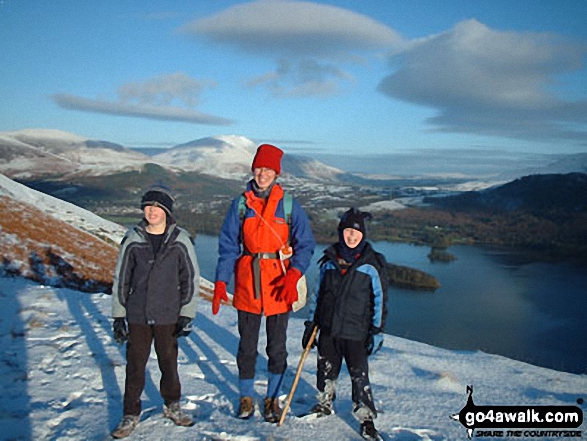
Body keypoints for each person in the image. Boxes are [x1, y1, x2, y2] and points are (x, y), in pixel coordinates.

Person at [213, 144, 316, 423]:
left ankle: (273, 398)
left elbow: (305, 245)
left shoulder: (289, 205)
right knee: (246, 346)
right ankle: (246, 397)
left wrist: (294, 275)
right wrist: (221, 281)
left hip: (279, 286)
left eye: (268, 169)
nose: (263, 174)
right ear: (253, 170)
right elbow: (227, 247)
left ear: (276, 173)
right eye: (259, 168)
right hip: (248, 284)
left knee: (277, 347)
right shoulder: (241, 204)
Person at [110, 184, 200, 439]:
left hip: (168, 314)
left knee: (168, 363)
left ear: (167, 212)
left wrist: (187, 313)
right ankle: (130, 413)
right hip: (137, 313)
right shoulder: (133, 239)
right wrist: (119, 315)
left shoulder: (180, 240)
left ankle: (173, 405)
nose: (152, 212)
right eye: (148, 206)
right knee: (135, 365)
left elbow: (191, 279)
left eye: (157, 207)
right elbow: (121, 279)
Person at [302, 207, 388, 441]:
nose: (351, 236)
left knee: (359, 376)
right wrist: (312, 323)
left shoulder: (371, 265)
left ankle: (366, 419)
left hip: (356, 332)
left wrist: (377, 331)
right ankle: (325, 404)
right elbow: (318, 296)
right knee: (326, 369)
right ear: (341, 232)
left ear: (363, 235)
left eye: (356, 233)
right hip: (329, 328)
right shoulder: (329, 261)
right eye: (348, 231)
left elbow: (380, 300)